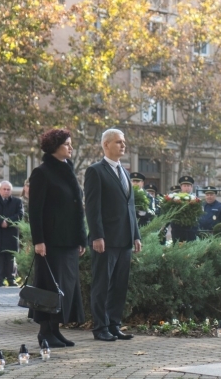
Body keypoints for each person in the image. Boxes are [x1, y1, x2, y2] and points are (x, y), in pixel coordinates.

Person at [29, 129, 87, 348]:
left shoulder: (67, 169)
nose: (71, 148)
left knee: (65, 287)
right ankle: (45, 332)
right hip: (51, 241)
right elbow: (35, 210)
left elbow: (76, 208)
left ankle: (55, 330)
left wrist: (81, 238)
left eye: (71, 144)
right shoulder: (42, 173)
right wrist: (39, 241)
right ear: (54, 147)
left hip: (69, 241)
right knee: (49, 286)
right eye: (67, 144)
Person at [84, 128, 140, 342]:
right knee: (102, 285)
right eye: (118, 142)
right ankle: (101, 328)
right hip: (105, 240)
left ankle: (114, 325)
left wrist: (136, 235)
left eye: (123, 142)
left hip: (125, 239)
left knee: (119, 286)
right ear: (106, 145)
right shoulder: (95, 171)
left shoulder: (124, 172)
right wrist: (97, 236)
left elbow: (130, 206)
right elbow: (93, 208)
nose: (123, 145)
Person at [0, 181, 24, 286]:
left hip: (11, 232)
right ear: (0, 190)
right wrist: (0, 222)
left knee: (10, 257)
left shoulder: (17, 201)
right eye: (4, 189)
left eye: (8, 189)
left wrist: (8, 222)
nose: (6, 191)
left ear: (11, 191)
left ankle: (11, 279)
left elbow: (20, 214)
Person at [170, 176, 198, 242]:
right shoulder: (175, 198)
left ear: (191, 187)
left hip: (191, 229)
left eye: (188, 186)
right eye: (184, 186)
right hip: (177, 229)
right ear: (181, 187)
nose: (186, 188)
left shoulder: (195, 199)